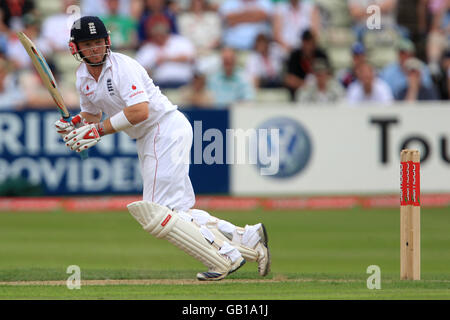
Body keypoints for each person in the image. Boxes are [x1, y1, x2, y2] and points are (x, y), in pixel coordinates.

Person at [54, 16, 270, 281]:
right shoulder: (82, 77)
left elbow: (139, 111)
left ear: (107, 42)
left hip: (163, 128)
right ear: (76, 49)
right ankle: (246, 236)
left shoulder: (123, 68)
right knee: (178, 212)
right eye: (88, 45)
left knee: (157, 212)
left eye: (98, 42)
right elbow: (91, 116)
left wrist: (97, 131)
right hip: (150, 137)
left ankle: (225, 255)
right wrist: (74, 125)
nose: (95, 49)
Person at [135, 15, 196, 88]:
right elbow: (139, 73)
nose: (159, 37)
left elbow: (190, 58)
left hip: (183, 83)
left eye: (162, 34)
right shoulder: (146, 48)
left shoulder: (180, 41)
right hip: (158, 86)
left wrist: (167, 59)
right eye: (156, 35)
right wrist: (155, 64)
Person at [284, 29, 329, 101]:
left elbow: (328, 75)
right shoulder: (295, 56)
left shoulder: (321, 55)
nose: (308, 46)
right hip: (300, 93)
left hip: (320, 93)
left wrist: (318, 83)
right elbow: (289, 79)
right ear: (302, 42)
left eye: (310, 42)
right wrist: (307, 85)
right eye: (305, 42)